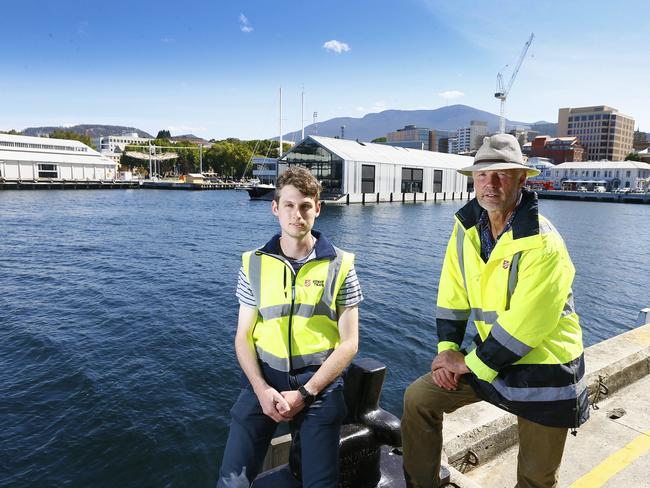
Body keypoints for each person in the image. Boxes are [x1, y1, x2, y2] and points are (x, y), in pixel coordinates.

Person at [401, 134, 589, 488]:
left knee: (536, 479)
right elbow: (452, 294)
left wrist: (468, 364)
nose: (490, 183)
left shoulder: (544, 242)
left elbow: (526, 326)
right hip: (491, 362)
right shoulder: (466, 229)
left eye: (502, 174)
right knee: (419, 399)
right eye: (483, 175)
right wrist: (448, 351)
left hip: (546, 372)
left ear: (522, 179)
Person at [218, 166, 363, 488]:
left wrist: (306, 394)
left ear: (317, 209)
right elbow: (243, 336)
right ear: (275, 208)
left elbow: (349, 343)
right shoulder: (252, 263)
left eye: (305, 206)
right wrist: (260, 388)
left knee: (320, 484)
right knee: (232, 482)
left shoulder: (341, 265)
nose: (297, 215)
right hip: (263, 383)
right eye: (289, 205)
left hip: (319, 387)